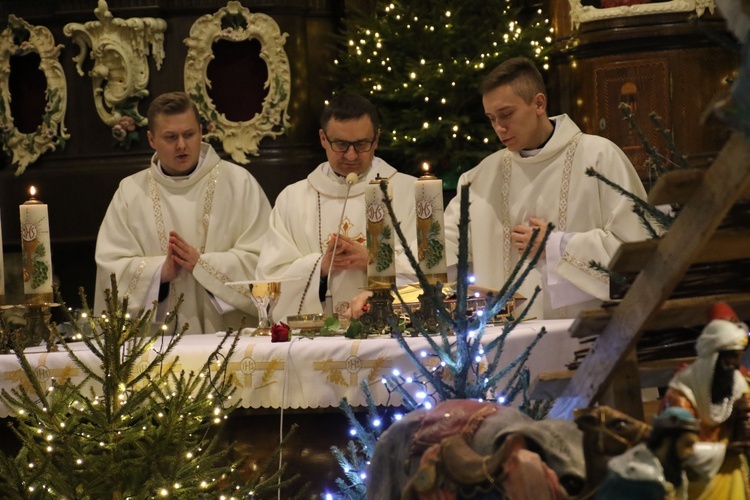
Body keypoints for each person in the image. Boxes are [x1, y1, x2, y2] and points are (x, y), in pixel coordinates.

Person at [444, 57, 650, 319]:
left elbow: (637, 249)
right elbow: (441, 254)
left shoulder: (599, 158)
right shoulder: (479, 180)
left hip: (584, 336)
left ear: (539, 103)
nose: (499, 127)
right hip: (505, 346)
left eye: (506, 114)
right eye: (491, 118)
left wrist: (556, 245)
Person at [94, 91, 271, 334]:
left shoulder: (239, 184)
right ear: (151, 139)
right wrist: (159, 272)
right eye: (170, 137)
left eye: (189, 134)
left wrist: (203, 265)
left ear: (200, 131)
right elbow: (110, 267)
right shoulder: (130, 193)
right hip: (157, 345)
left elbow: (264, 260)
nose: (181, 145)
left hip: (229, 336)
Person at [257, 94, 417, 322]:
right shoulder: (293, 199)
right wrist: (319, 267)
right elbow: (269, 279)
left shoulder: (409, 192)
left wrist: (374, 259)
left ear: (377, 139)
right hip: (315, 340)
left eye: (362, 144)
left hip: (391, 334)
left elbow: (433, 269)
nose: (351, 155)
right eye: (341, 144)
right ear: (323, 138)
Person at [661, 308, 750, 499]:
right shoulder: (680, 394)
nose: (735, 364)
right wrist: (724, 451)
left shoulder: (738, 384)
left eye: (738, 356)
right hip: (697, 481)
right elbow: (680, 448)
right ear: (713, 358)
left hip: (733, 473)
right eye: (731, 357)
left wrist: (738, 416)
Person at [596, 407, 701, 500]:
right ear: (668, 441)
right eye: (687, 444)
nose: (691, 452)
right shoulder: (633, 479)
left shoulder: (675, 473)